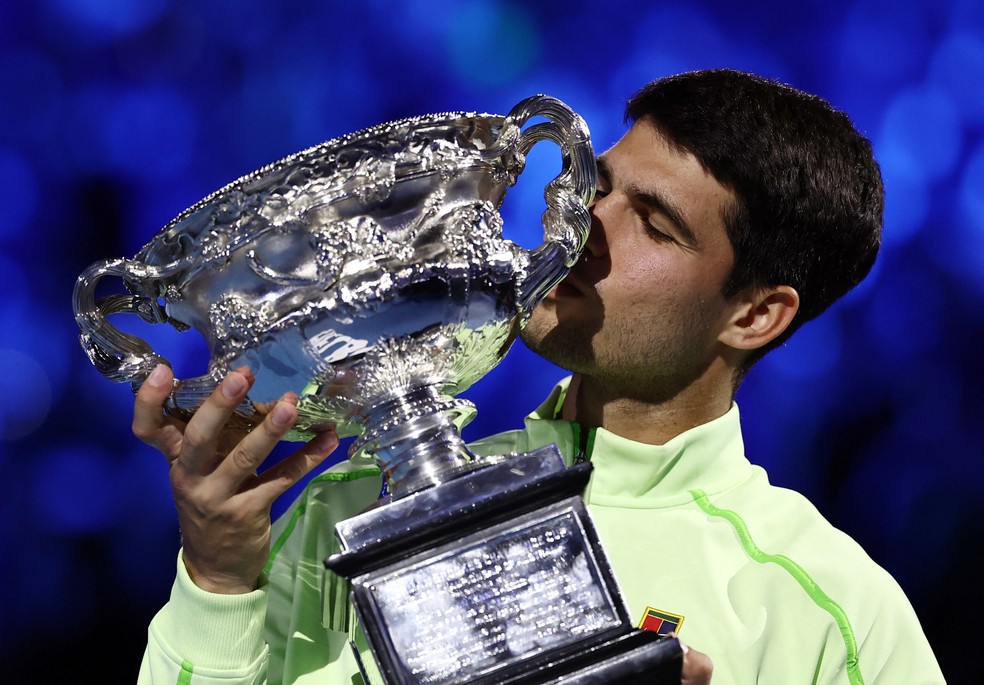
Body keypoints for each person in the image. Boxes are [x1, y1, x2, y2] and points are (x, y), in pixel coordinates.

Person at [131, 69, 944, 684]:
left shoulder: (833, 611)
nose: (589, 221)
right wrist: (217, 577)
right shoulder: (350, 503)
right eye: (600, 184)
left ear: (755, 316)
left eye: (654, 225)